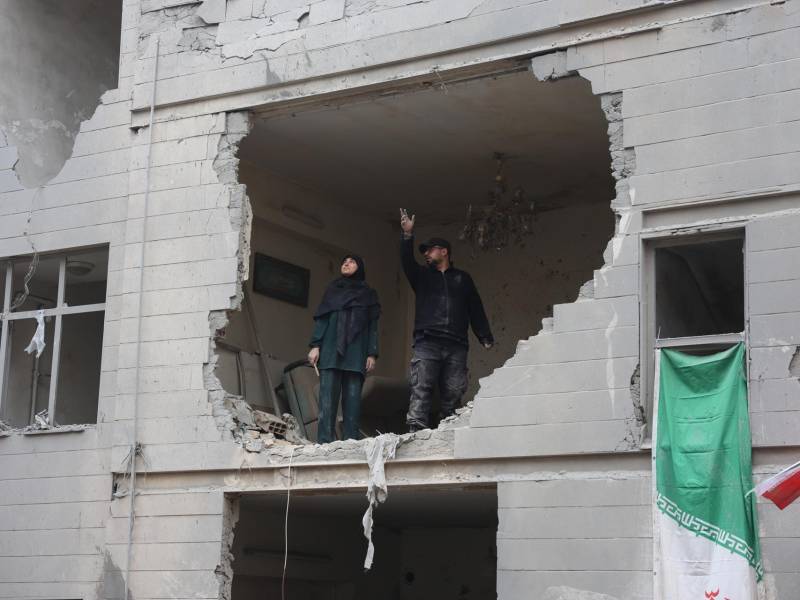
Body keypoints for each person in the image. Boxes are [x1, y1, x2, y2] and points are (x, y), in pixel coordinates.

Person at [399, 208, 494, 432]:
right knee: (421, 387)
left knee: (453, 392)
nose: (425, 255)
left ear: (444, 252)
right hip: (427, 341)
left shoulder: (462, 278)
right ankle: (416, 434)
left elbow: (475, 308)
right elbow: (406, 261)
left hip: (456, 344)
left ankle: (448, 435)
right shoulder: (421, 276)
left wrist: (485, 336)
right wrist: (407, 236)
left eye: (430, 250)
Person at [307, 255, 380, 443]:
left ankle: (351, 444)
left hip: (356, 353)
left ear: (360, 267)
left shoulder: (368, 295)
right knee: (327, 401)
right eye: (344, 261)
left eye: (352, 261)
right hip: (331, 351)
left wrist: (372, 353)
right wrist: (315, 346)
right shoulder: (332, 291)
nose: (346, 263)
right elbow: (322, 319)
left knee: (353, 401)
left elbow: (372, 326)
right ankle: (324, 443)